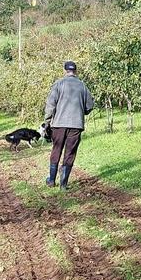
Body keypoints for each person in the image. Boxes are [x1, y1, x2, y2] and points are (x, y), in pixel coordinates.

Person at [43, 60, 94, 189]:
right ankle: (63, 184)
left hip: (59, 124)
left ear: (65, 70)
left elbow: (50, 105)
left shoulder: (58, 84)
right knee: (70, 152)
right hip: (76, 125)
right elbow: (89, 106)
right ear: (75, 71)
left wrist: (47, 121)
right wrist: (82, 112)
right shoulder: (83, 86)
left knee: (56, 149)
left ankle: (51, 180)